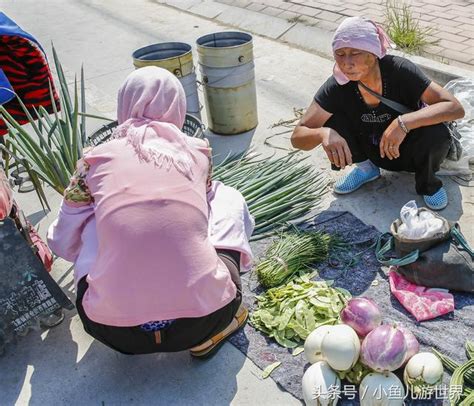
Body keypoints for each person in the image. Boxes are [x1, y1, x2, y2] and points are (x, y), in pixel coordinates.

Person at [47, 66, 254, 357]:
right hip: (207, 318)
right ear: (178, 107)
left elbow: (61, 242)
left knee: (94, 220)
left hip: (113, 332)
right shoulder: (197, 152)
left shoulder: (93, 162)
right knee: (224, 197)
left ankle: (123, 304)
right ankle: (211, 328)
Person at [291, 17, 465, 211]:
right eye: (340, 54)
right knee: (330, 121)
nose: (347, 63)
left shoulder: (399, 70)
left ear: (373, 53)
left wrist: (403, 123)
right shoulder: (337, 85)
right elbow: (298, 137)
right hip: (372, 150)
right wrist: (323, 133)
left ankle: (428, 184)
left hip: (410, 151)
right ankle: (367, 169)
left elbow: (454, 108)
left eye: (355, 53)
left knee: (437, 131)